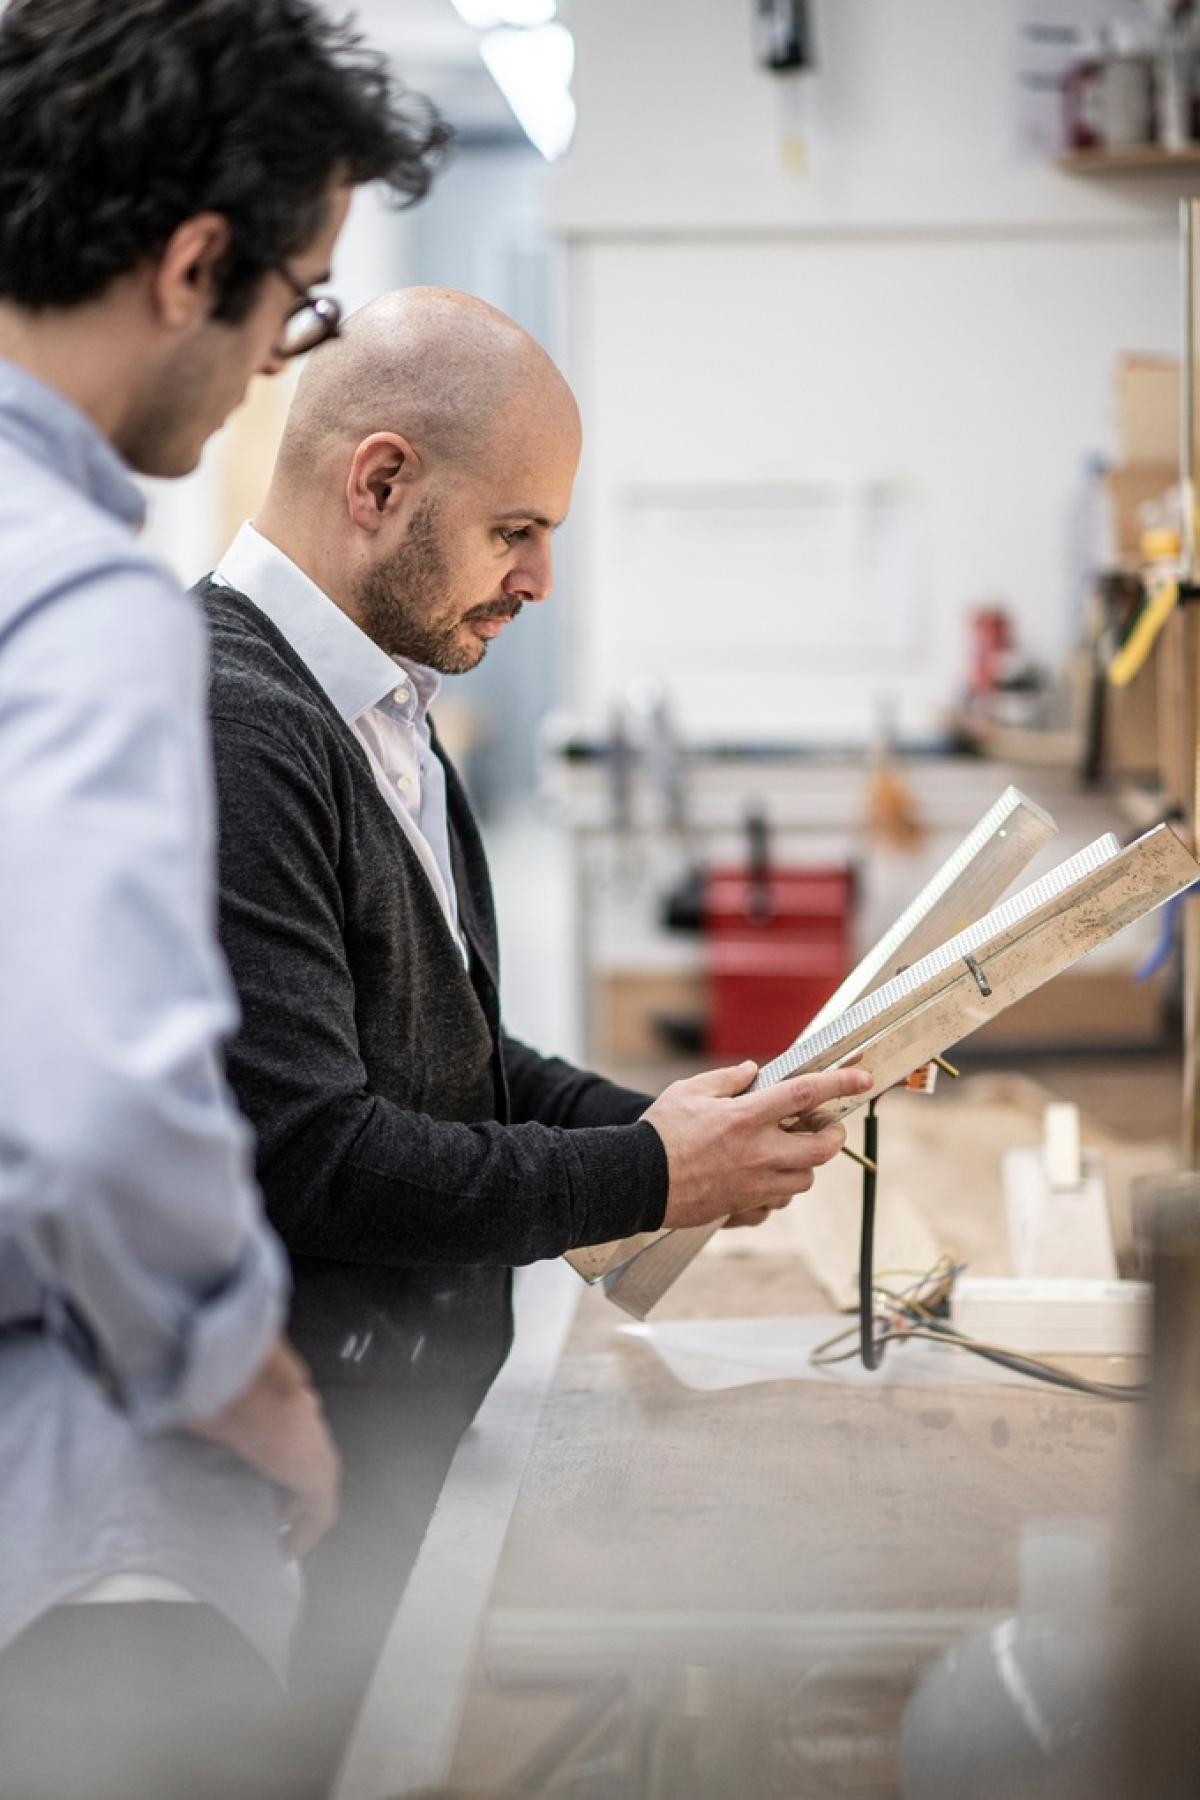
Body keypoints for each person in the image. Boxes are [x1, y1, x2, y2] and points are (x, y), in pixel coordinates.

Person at [199, 285, 873, 1790]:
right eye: (517, 531)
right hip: (304, 1474)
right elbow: (313, 1159)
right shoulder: (230, 725)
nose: (542, 578)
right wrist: (643, 1178)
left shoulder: (380, 714)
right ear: (380, 483)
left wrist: (687, 1124)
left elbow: (458, 1061)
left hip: (408, 1428)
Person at [0, 6, 447, 1798]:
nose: (285, 356)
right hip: (81, 1539)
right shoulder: (79, 604)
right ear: (196, 265)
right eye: (299, 301)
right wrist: (244, 1379)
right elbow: (104, 1102)